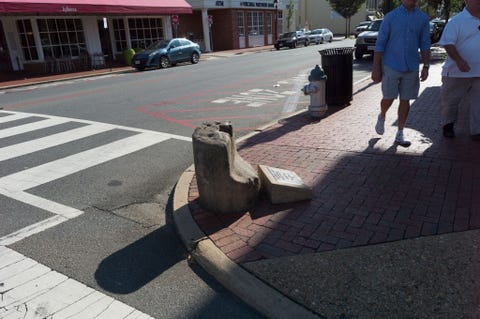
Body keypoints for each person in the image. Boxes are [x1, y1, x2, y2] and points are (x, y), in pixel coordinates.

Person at [371, 0, 431, 147]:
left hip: (411, 66)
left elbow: (425, 43)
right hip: (391, 64)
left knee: (406, 99)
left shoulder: (423, 18)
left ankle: (400, 132)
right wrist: (376, 68)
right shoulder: (391, 17)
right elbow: (380, 43)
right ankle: (382, 114)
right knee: (389, 97)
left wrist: (426, 66)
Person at [438, 0, 480, 140]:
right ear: (466, 1)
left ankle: (477, 131)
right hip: (457, 72)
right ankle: (448, 126)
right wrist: (459, 61)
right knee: (451, 102)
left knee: (478, 103)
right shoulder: (456, 21)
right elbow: (448, 44)